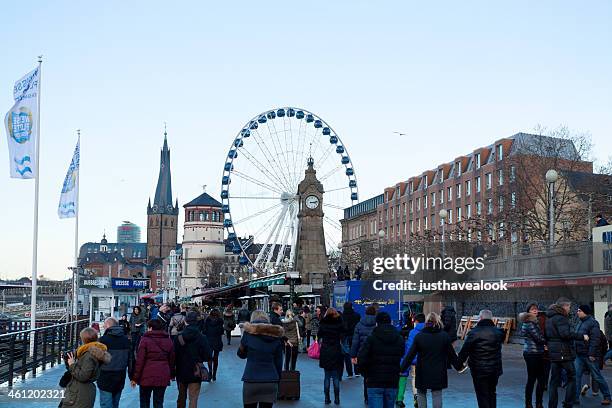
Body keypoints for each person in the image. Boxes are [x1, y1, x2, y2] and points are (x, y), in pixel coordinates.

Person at [400, 312, 461, 408]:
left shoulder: (419, 336)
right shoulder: (443, 336)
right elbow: (452, 355)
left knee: (421, 393)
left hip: (422, 370)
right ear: (437, 322)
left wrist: (402, 369)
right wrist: (459, 367)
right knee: (437, 394)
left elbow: (410, 355)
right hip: (438, 370)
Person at [545, 298, 589, 408]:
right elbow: (565, 334)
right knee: (572, 377)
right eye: (569, 307)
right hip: (563, 352)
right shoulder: (561, 318)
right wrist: (582, 336)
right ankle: (568, 403)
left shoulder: (549, 318)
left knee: (554, 381)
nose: (570, 309)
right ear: (564, 306)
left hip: (553, 353)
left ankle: (552, 405)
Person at [357, 311, 405, 408]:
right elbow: (402, 354)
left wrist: (365, 373)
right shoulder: (398, 338)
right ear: (390, 322)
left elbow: (362, 357)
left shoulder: (371, 338)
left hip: (374, 380)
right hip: (392, 380)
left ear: (377, 323)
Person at [457, 309, 504, 408]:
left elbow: (465, 351)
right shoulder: (499, 332)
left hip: (479, 370)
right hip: (495, 369)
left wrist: (458, 364)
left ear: (480, 318)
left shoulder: (474, 333)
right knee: (492, 392)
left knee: (482, 395)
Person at [238, 310, 285, 408]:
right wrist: (278, 379)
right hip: (270, 380)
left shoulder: (248, 334)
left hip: (251, 379)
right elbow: (279, 362)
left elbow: (241, 354)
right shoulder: (276, 336)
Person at [60, 327, 112, 408]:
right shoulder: (95, 352)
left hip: (79, 394)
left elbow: (83, 376)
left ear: (84, 339)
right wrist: (69, 362)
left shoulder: (88, 355)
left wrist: (72, 364)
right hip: (83, 392)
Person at [131, 319, 175, 408]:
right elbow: (172, 359)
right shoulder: (168, 340)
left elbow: (140, 360)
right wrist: (172, 375)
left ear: (150, 328)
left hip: (146, 375)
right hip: (162, 374)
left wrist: (135, 377)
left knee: (144, 401)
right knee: (158, 401)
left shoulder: (145, 340)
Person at [574, 304, 611, 405]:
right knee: (576, 377)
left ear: (585, 312)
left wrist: (591, 354)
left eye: (579, 310)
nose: (577, 312)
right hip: (579, 355)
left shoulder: (593, 323)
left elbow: (595, 340)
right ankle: (575, 398)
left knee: (597, 376)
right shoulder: (580, 323)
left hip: (589, 355)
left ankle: (607, 397)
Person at [174, 311, 211, 408]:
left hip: (181, 371)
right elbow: (208, 356)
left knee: (181, 397)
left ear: (186, 322)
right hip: (196, 370)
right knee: (193, 399)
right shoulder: (202, 337)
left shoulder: (179, 337)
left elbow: (173, 355)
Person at [98, 317, 132, 408]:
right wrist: (132, 376)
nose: (104, 326)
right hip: (120, 375)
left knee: (106, 403)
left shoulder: (102, 340)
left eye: (104, 325)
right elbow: (131, 359)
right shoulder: (126, 340)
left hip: (105, 376)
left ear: (108, 325)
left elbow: (97, 359)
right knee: (115, 402)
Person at [519, 303, 547, 408]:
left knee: (536, 379)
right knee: (535, 379)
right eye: (532, 310)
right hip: (533, 353)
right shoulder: (530, 323)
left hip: (533, 353)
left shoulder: (532, 322)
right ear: (528, 312)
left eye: (536, 309)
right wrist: (546, 342)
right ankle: (534, 403)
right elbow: (538, 338)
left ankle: (532, 403)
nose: (535, 311)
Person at [351, 305, 377, 405]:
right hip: (375, 353)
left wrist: (353, 355)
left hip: (363, 354)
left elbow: (355, 342)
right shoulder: (377, 324)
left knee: (366, 376)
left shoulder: (359, 324)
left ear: (365, 312)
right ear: (375, 313)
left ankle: (367, 396)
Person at [318, 307, 345, 405]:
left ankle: (326, 398)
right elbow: (343, 334)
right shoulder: (339, 324)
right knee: (336, 376)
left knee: (327, 376)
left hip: (325, 350)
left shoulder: (323, 323)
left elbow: (319, 335)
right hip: (336, 350)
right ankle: (337, 398)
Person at [398, 313, 425, 408]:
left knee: (410, 376)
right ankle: (417, 398)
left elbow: (409, 347)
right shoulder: (428, 331)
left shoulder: (412, 332)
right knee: (418, 378)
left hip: (413, 360)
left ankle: (399, 399)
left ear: (416, 322)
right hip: (424, 361)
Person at [203, 308, 224, 381]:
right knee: (216, 358)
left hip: (209, 340)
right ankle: (214, 374)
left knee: (209, 357)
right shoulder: (220, 320)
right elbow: (221, 331)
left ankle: (210, 373)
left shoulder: (207, 320)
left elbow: (204, 331)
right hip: (217, 340)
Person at [341, 302, 360, 378]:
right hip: (354, 335)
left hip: (345, 336)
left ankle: (350, 373)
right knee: (355, 353)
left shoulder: (342, 316)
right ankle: (357, 371)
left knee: (346, 354)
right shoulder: (357, 315)